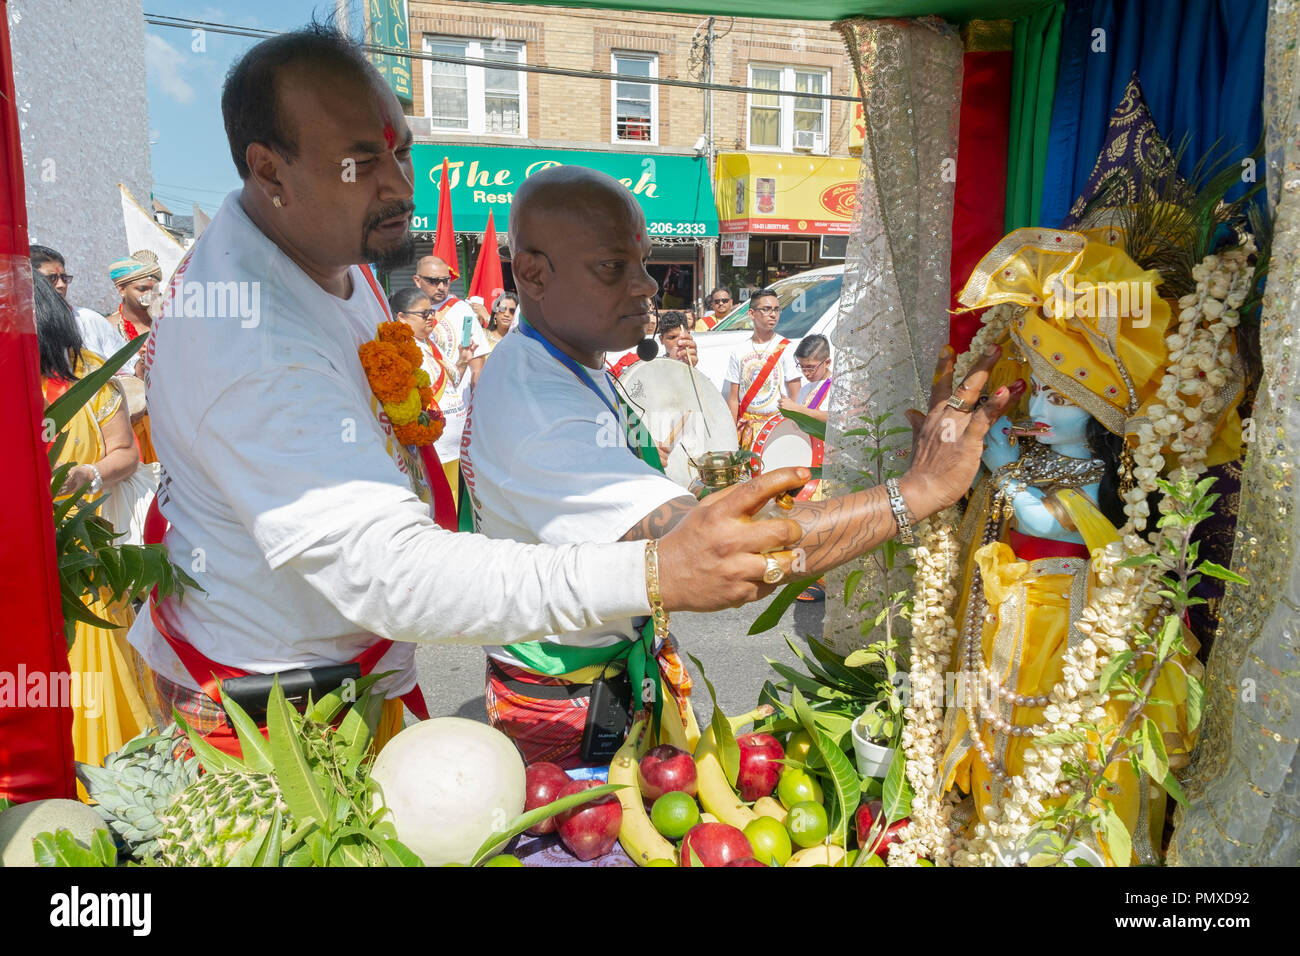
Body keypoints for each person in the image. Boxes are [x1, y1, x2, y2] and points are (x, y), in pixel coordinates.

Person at [126, 22, 805, 752]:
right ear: (269, 172)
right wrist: (651, 571)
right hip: (261, 724)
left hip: (345, 681)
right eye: (360, 161)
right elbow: (394, 574)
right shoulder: (247, 340)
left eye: (401, 149)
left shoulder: (326, 253)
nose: (395, 182)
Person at [461, 165, 1017, 765]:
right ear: (533, 274)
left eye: (644, 262)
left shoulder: (570, 363)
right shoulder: (536, 400)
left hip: (607, 678)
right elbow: (723, 549)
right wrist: (919, 490)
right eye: (612, 268)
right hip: (574, 709)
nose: (647, 287)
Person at [34, 272, 150, 784]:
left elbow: (127, 453)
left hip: (80, 552)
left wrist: (90, 473)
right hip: (16, 551)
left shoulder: (89, 375)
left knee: (88, 667)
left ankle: (99, 779)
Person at [31, 244, 132, 372]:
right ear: (29, 280)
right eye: (52, 278)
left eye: (64, 278)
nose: (61, 285)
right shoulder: (16, 327)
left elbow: (130, 368)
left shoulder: (88, 319)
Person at [724, 288, 801, 449]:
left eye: (776, 309)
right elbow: (733, 398)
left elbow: (796, 395)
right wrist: (730, 434)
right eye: (766, 309)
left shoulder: (786, 348)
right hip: (747, 429)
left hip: (776, 428)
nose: (773, 314)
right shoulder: (739, 351)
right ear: (752, 313)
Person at [779, 334, 831, 424]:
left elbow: (836, 419)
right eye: (802, 367)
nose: (806, 373)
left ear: (827, 363)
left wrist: (796, 408)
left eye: (810, 367)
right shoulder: (805, 389)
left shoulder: (837, 387)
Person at [483, 291, 518, 355]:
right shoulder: (482, 336)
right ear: (495, 314)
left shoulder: (520, 342)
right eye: (502, 309)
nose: (507, 314)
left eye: (512, 311)